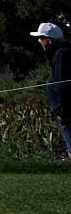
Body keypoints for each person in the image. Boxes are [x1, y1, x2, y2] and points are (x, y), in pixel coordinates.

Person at [34, 21, 69, 160]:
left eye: (41, 38)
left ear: (48, 40)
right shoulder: (60, 53)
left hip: (67, 111)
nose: (39, 41)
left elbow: (62, 84)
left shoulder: (61, 55)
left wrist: (60, 109)